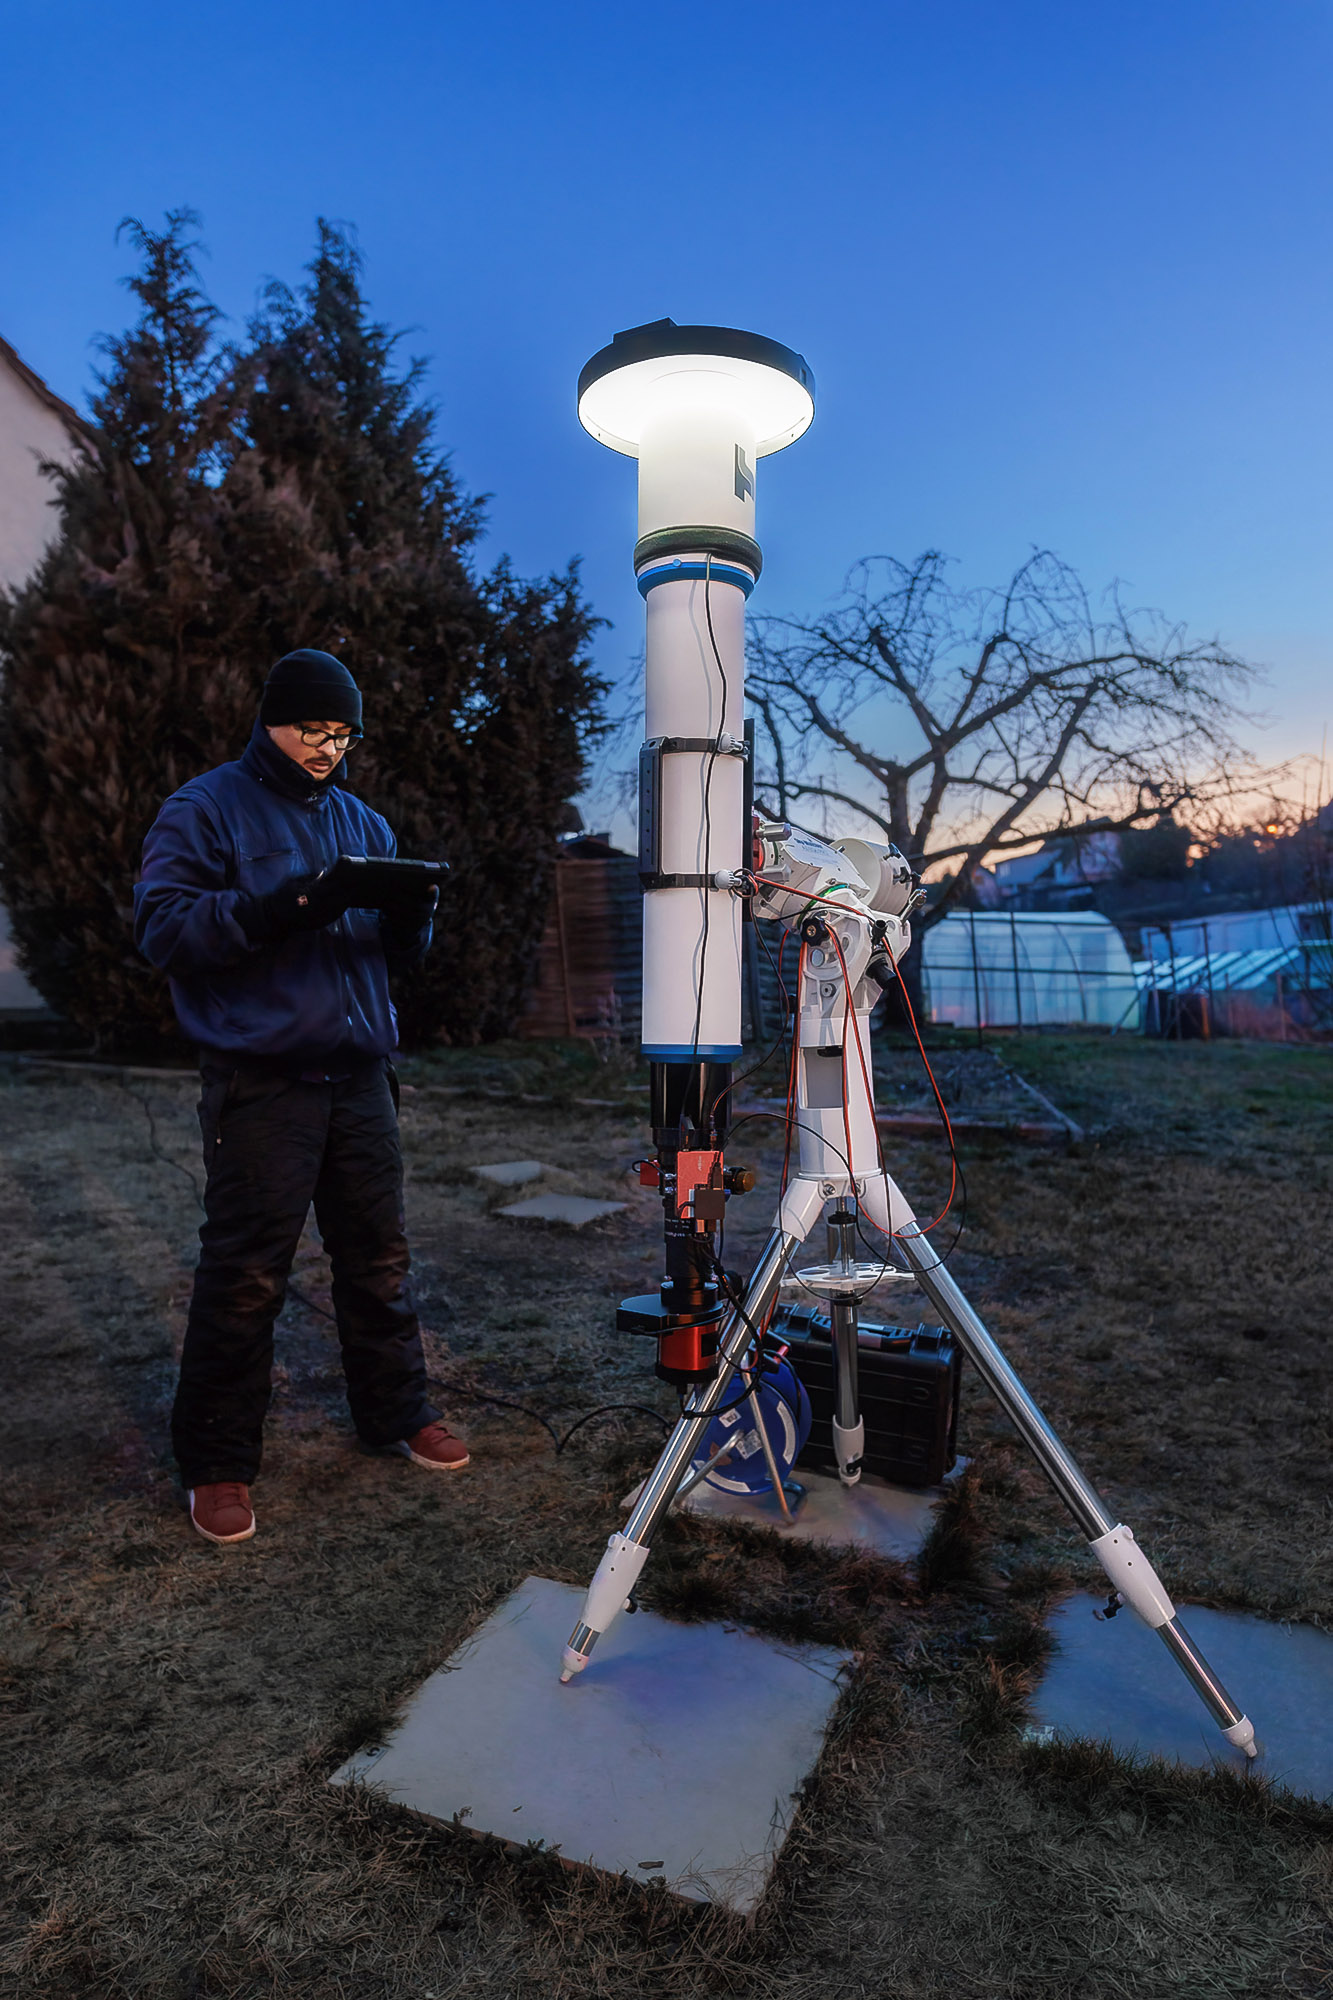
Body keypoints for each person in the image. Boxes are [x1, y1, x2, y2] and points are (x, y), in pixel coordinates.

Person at [134, 648, 468, 1547]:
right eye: (312, 729)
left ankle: (397, 1413)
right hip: (263, 1079)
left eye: (343, 734)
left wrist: (411, 916)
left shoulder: (363, 819)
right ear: (271, 720)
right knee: (246, 1275)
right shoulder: (205, 808)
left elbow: (392, 958)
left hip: (360, 1077)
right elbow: (163, 929)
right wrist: (289, 905)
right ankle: (216, 1462)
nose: (328, 748)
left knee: (378, 1260)